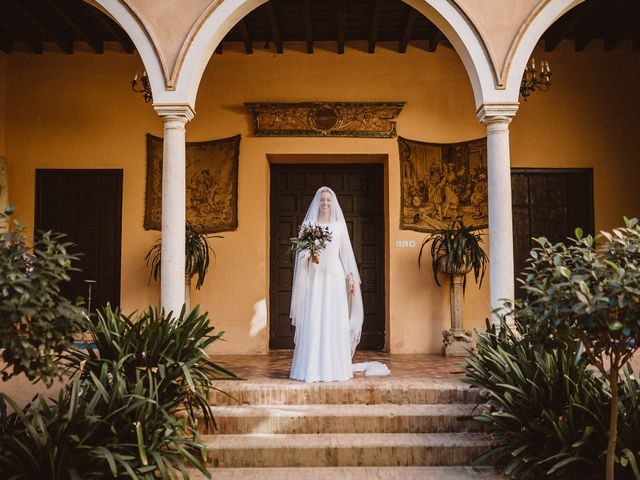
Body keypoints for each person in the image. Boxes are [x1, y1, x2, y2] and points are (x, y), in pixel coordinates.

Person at [290, 186, 389, 382]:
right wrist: (308, 255)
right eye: (322, 200)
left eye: (328, 200)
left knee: (333, 317)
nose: (325, 203)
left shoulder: (339, 226)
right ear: (317, 203)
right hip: (316, 277)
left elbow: (346, 255)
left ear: (332, 203)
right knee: (315, 316)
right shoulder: (309, 224)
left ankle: (334, 367)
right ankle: (310, 367)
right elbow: (301, 253)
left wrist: (350, 278)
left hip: (334, 276)